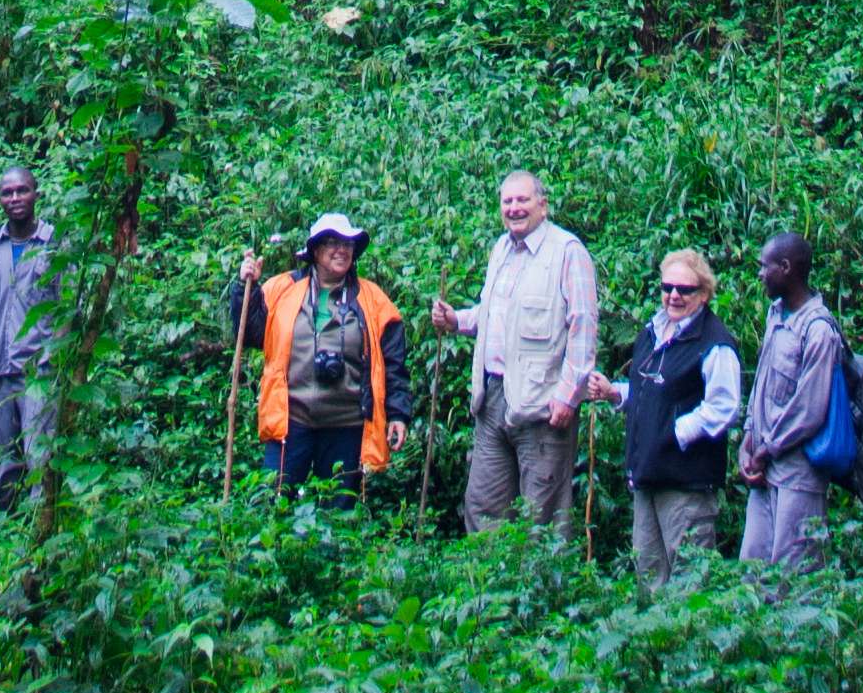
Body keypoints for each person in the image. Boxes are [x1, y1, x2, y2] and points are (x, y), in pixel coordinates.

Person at [430, 170, 602, 533]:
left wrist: (568, 396)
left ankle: (543, 589)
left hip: (543, 403)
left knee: (544, 513)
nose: (514, 208)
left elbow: (584, 328)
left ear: (543, 205)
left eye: (522, 200)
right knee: (483, 504)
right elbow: (493, 312)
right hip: (493, 397)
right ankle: (486, 586)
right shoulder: (501, 249)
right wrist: (456, 320)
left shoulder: (568, 253)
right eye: (507, 202)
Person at [233, 215, 405, 493]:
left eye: (347, 243)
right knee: (271, 502)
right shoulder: (282, 289)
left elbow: (394, 362)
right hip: (290, 422)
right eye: (332, 242)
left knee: (339, 514)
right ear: (315, 250)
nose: (341, 249)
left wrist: (398, 413)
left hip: (347, 426)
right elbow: (250, 335)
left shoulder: (373, 299)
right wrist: (245, 288)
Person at [605, 248, 746, 578]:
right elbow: (650, 393)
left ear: (704, 293)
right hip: (647, 477)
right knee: (649, 576)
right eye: (668, 288)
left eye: (685, 290)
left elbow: (724, 406)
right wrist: (614, 393)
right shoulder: (653, 332)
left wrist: (676, 433)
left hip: (686, 484)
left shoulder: (715, 343)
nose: (674, 296)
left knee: (690, 580)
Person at [732, 232, 845, 568]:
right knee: (752, 570)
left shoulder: (819, 329)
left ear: (785, 267)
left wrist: (768, 449)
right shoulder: (774, 315)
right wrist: (748, 440)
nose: (760, 274)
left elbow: (810, 408)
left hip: (798, 475)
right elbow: (762, 383)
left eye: (764, 267)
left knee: (794, 576)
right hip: (764, 472)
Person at [0, 166, 60, 505]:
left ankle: (40, 524)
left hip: (39, 368)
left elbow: (69, 305)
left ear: (36, 193)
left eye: (22, 191)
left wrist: (54, 357)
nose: (15, 198)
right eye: (7, 193)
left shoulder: (53, 243)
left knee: (40, 453)